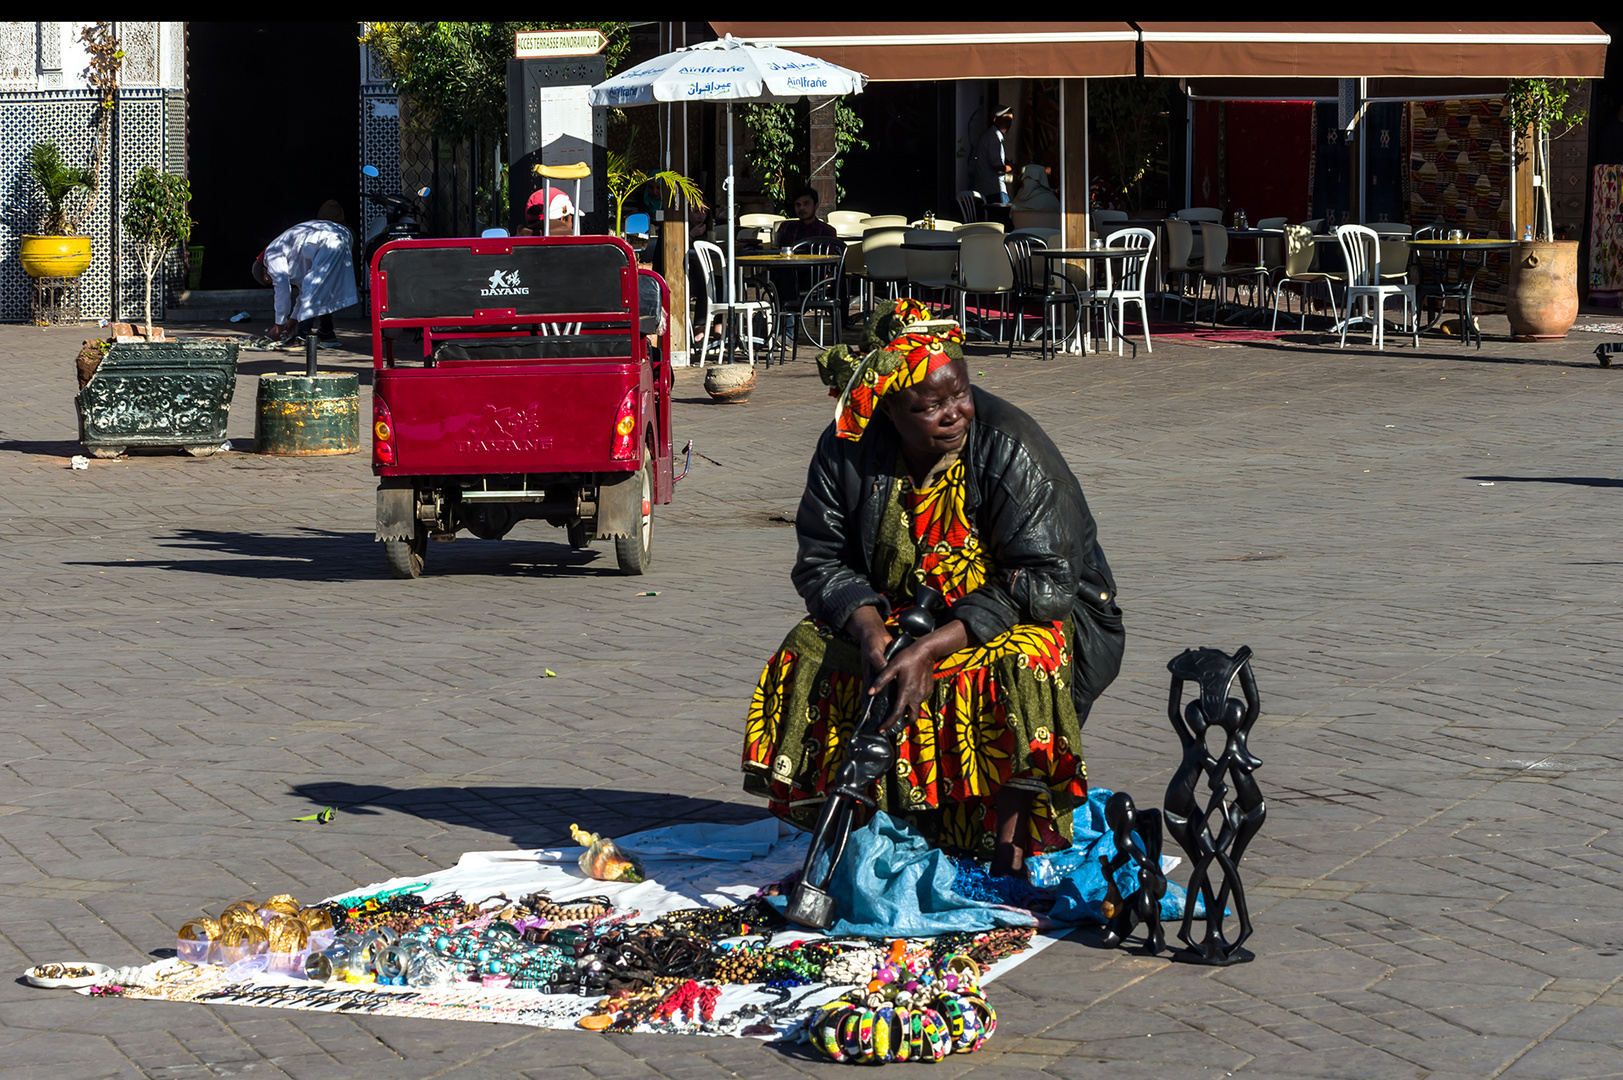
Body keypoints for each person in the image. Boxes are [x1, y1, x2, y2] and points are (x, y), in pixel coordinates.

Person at [742, 299, 1125, 878]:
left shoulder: (1012, 446)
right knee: (811, 648)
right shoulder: (846, 446)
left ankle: (1009, 852)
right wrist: (870, 631)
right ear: (887, 409)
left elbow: (1043, 582)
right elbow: (821, 559)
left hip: (1039, 613)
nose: (955, 413)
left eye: (961, 394)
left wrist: (931, 647)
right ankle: (868, 824)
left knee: (1022, 662)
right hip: (901, 613)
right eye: (931, 406)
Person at [254, 203, 357, 346]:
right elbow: (303, 293)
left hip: (329, 238)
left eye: (267, 279)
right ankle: (327, 334)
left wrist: (279, 325)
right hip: (342, 235)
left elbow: (283, 289)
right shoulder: (288, 253)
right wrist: (293, 319)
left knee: (314, 285)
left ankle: (303, 334)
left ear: (264, 269)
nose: (272, 281)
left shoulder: (271, 255)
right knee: (322, 287)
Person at [973, 107, 1015, 205]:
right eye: (1006, 120)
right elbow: (998, 167)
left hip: (989, 189)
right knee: (1002, 218)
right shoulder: (993, 138)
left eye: (1011, 121)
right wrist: (1013, 168)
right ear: (996, 120)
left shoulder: (991, 136)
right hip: (994, 190)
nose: (1009, 124)